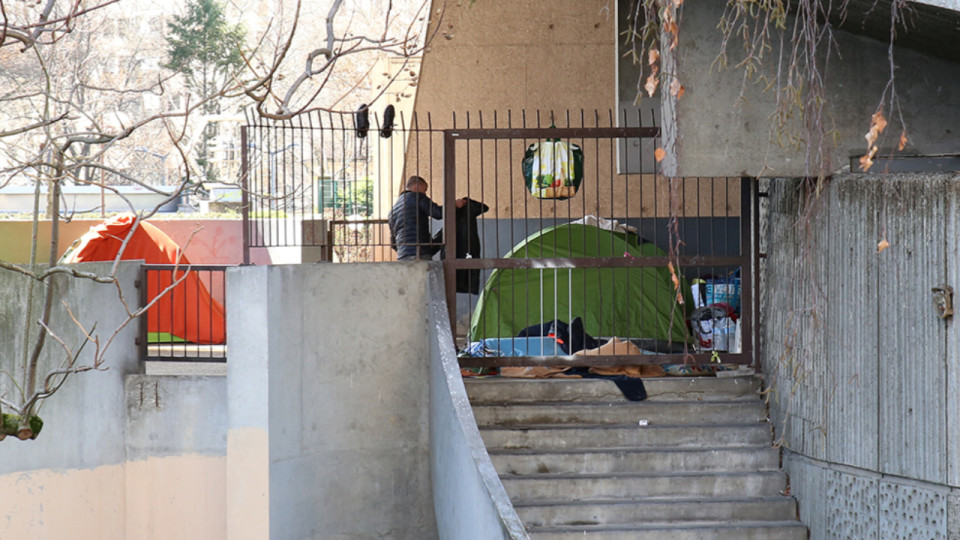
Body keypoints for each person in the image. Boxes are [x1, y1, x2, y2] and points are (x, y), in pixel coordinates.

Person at [388, 175, 466, 261]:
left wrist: (405, 250)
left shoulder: (393, 211)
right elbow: (438, 213)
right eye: (424, 190)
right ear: (417, 186)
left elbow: (393, 243)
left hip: (402, 257)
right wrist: (454, 204)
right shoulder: (418, 197)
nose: (425, 193)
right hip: (419, 253)